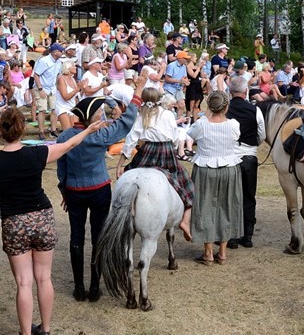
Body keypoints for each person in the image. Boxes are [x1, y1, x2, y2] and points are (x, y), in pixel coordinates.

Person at [0, 106, 105, 335]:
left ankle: (26, 332)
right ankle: (47, 328)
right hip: (42, 218)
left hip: (14, 223)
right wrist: (89, 130)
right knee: (44, 278)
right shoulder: (37, 153)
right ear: (22, 128)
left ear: (1, 130)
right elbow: (69, 144)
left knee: (23, 283)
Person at [56, 81, 144, 302]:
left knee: (76, 237)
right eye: (99, 113)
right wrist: (138, 93)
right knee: (98, 236)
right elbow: (126, 121)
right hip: (99, 190)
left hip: (74, 190)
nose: (102, 116)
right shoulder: (99, 136)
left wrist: (64, 192)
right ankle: (95, 287)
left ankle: (78, 287)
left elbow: (61, 171)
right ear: (92, 117)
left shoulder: (64, 137)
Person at [116, 87, 194, 241]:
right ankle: (185, 221)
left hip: (147, 152)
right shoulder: (168, 114)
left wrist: (120, 163)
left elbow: (131, 140)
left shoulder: (141, 116)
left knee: (128, 175)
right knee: (186, 182)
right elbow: (174, 137)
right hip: (166, 153)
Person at [187, 91, 243, 265]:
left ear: (209, 107)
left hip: (205, 170)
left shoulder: (201, 125)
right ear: (226, 107)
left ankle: (208, 252)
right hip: (229, 169)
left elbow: (189, 135)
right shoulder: (233, 125)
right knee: (227, 206)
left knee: (205, 207)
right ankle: (223, 252)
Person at [224, 77, 266, 249]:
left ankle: (232, 236)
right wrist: (252, 143)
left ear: (230, 92)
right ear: (245, 91)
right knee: (249, 196)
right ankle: (247, 235)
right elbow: (262, 134)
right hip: (248, 156)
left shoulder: (224, 110)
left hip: (229, 157)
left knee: (230, 197)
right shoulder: (255, 110)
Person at [33, 44, 64, 139]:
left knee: (54, 109)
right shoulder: (44, 61)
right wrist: (40, 88)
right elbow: (36, 75)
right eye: (61, 51)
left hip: (52, 88)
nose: (62, 52)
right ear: (55, 52)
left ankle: (53, 130)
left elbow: (58, 75)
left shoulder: (59, 62)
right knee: (42, 110)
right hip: (42, 87)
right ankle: (41, 131)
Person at [56, 59, 82, 132]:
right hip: (62, 107)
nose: (75, 67)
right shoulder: (61, 79)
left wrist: (83, 88)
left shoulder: (73, 79)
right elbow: (65, 97)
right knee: (68, 132)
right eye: (74, 66)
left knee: (75, 131)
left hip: (72, 107)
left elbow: (76, 96)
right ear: (68, 68)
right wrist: (77, 89)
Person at [164, 51, 191, 119]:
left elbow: (184, 77)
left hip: (178, 88)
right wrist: (180, 81)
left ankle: (179, 121)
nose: (187, 60)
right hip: (169, 89)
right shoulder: (171, 65)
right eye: (185, 58)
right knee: (168, 106)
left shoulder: (184, 66)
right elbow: (167, 79)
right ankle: (168, 120)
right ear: (180, 58)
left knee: (182, 105)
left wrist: (186, 82)